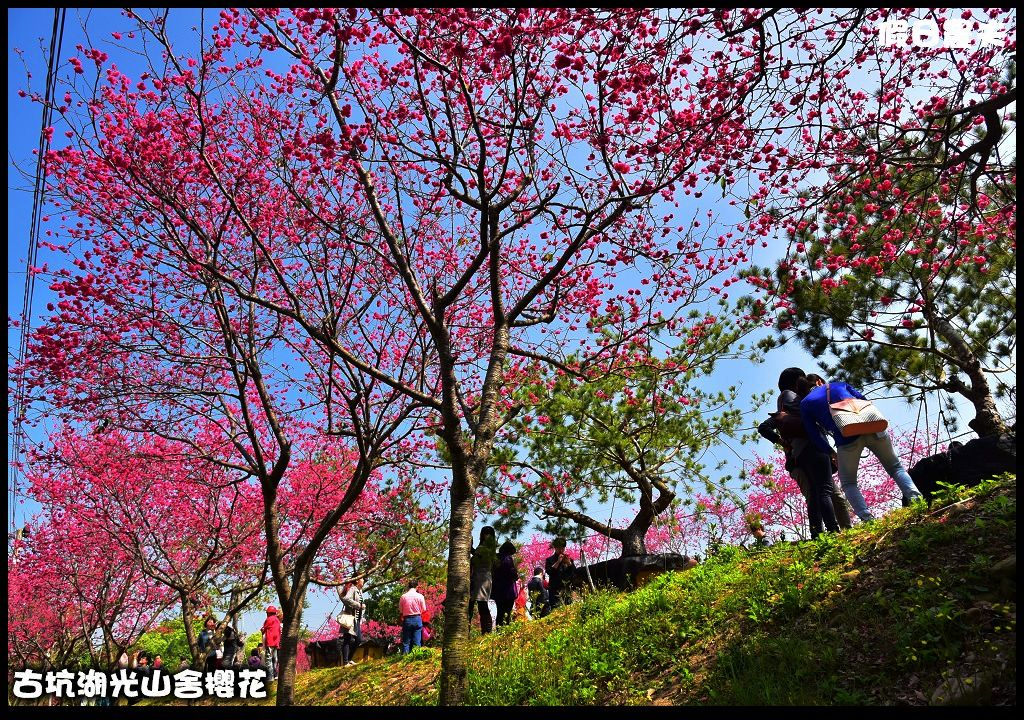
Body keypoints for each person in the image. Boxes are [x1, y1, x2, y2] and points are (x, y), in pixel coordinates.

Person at [799, 375, 923, 522]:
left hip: (847, 438)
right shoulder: (839, 384)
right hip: (874, 427)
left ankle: (868, 519)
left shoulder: (805, 403)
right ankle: (917, 500)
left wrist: (831, 452)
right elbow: (863, 400)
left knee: (849, 483)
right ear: (819, 382)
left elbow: (813, 434)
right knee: (896, 468)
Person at [758, 367, 853, 534]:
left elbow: (766, 427)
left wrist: (783, 443)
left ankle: (823, 534)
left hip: (800, 454)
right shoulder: (792, 397)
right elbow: (767, 427)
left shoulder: (784, 403)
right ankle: (833, 531)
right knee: (822, 493)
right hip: (811, 448)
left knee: (821, 495)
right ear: (797, 381)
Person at [469, 525, 498, 634]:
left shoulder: (486, 548)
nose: (487, 536)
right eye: (486, 533)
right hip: (481, 577)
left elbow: (475, 559)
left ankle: (486, 632)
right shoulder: (488, 547)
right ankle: (486, 632)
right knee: (479, 605)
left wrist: (471, 548)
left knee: (481, 605)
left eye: (489, 534)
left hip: (482, 578)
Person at [338, 578, 366, 666]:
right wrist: (359, 605)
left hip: (356, 619)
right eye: (362, 579)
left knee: (358, 640)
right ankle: (346, 662)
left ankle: (349, 659)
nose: (364, 580)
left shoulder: (359, 591)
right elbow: (346, 599)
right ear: (357, 580)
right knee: (347, 639)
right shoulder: (353, 589)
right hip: (350, 618)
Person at [492, 540, 519, 627]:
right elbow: (512, 573)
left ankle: (498, 630)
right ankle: (505, 630)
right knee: (507, 612)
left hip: (497, 590)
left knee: (500, 612)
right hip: (508, 591)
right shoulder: (508, 558)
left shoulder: (495, 558)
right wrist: (516, 575)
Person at [544, 537, 576, 609]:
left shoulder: (569, 559)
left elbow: (574, 573)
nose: (561, 550)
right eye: (559, 548)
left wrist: (569, 563)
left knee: (569, 610)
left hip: (566, 590)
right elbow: (549, 572)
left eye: (563, 548)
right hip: (554, 590)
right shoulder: (549, 560)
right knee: (555, 611)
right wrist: (558, 562)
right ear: (555, 548)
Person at [399, 580, 428, 654]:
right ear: (417, 587)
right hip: (417, 618)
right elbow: (424, 609)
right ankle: (416, 657)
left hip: (407, 619)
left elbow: (401, 610)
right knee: (417, 641)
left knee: (406, 642)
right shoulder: (420, 596)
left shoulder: (403, 596)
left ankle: (404, 659)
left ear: (408, 586)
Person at [261, 606, 282, 680]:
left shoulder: (268, 619)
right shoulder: (277, 620)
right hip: (276, 643)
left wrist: (262, 630)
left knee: (268, 659)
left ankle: (270, 677)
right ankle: (275, 675)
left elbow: (264, 629)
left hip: (269, 642)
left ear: (268, 613)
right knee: (275, 659)